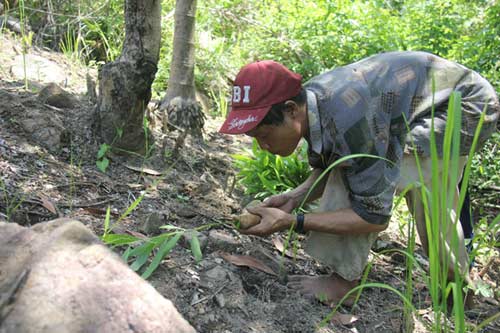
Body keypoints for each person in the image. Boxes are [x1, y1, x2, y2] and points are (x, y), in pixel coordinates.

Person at [219, 51, 500, 305]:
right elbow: (330, 162)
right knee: (403, 186)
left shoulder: (349, 118)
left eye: (264, 135)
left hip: (464, 107)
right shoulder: (315, 103)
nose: (263, 146)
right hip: (442, 101)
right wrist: (294, 198)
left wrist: (293, 222)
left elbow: (373, 216)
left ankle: (347, 284)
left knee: (391, 186)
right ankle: (457, 288)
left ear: (291, 110)